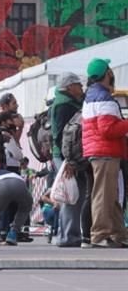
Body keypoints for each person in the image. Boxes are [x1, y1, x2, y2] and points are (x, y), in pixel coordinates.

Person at [81, 58, 128, 248]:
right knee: (103, 194)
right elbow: (108, 129)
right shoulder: (104, 97)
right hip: (105, 152)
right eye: (109, 70)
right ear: (106, 73)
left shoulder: (92, 95)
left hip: (99, 151)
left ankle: (119, 234)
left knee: (110, 194)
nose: (112, 73)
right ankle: (99, 235)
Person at [49, 72, 87, 247]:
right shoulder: (63, 106)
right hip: (66, 156)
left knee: (73, 194)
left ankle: (69, 234)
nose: (81, 88)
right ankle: (68, 236)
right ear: (69, 87)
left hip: (67, 155)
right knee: (71, 194)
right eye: (78, 84)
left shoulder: (66, 103)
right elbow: (61, 135)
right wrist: (69, 160)